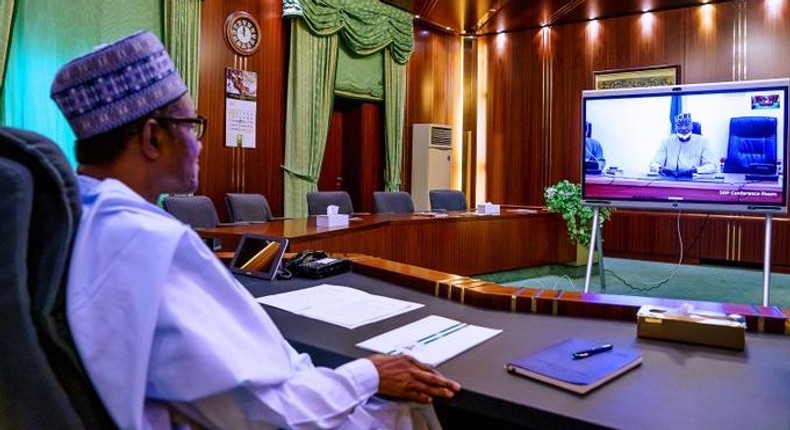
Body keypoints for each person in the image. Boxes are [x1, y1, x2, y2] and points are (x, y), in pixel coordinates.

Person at [51, 31, 460, 430]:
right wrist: (370, 374)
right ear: (153, 137)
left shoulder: (74, 217)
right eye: (193, 125)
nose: (200, 144)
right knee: (413, 410)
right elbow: (267, 414)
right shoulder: (149, 243)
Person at [649, 113, 717, 176]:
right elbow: (654, 164)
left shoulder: (703, 142)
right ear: (675, 127)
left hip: (694, 182)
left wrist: (696, 170)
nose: (683, 128)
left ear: (692, 126)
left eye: (687, 124)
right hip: (670, 180)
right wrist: (660, 169)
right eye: (679, 125)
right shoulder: (666, 142)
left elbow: (711, 166)